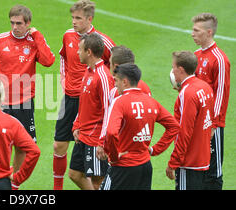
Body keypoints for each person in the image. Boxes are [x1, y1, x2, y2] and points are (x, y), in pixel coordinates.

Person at [0, 4, 54, 190]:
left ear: (28, 23)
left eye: (19, 23)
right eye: (12, 23)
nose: (15, 27)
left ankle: (14, 185)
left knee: (23, 146)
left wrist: (38, 36)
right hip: (0, 103)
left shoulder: (34, 41)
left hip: (24, 104)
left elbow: (48, 61)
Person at [53, 0, 116, 190]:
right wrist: (64, 77)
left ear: (89, 19)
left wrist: (105, 82)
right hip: (70, 97)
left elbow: (117, 62)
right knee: (58, 146)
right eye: (72, 17)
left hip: (90, 101)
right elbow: (63, 57)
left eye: (78, 18)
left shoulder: (101, 41)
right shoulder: (68, 35)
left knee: (95, 165)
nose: (74, 22)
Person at [99, 63, 180, 190]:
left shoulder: (119, 102)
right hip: (145, 167)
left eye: (116, 81)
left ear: (125, 82)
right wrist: (155, 149)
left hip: (123, 167)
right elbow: (174, 126)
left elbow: (111, 132)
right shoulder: (151, 102)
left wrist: (114, 157)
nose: (115, 84)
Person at [69, 33, 114, 190]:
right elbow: (84, 103)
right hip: (83, 136)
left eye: (79, 49)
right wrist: (76, 125)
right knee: (74, 174)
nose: (77, 52)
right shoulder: (88, 71)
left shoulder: (103, 76)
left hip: (95, 139)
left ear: (89, 52)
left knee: (98, 182)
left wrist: (102, 142)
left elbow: (109, 110)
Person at [191, 13, 230, 190]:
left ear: (208, 32)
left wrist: (214, 124)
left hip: (212, 124)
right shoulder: (196, 55)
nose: (192, 33)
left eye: (196, 30)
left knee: (213, 171)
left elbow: (221, 93)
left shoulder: (219, 59)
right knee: (197, 166)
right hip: (196, 120)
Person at [166, 51, 214, 190]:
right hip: (203, 159)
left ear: (181, 70)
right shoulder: (205, 87)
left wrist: (173, 162)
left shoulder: (188, 93)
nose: (172, 71)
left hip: (189, 162)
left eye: (173, 67)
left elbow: (184, 132)